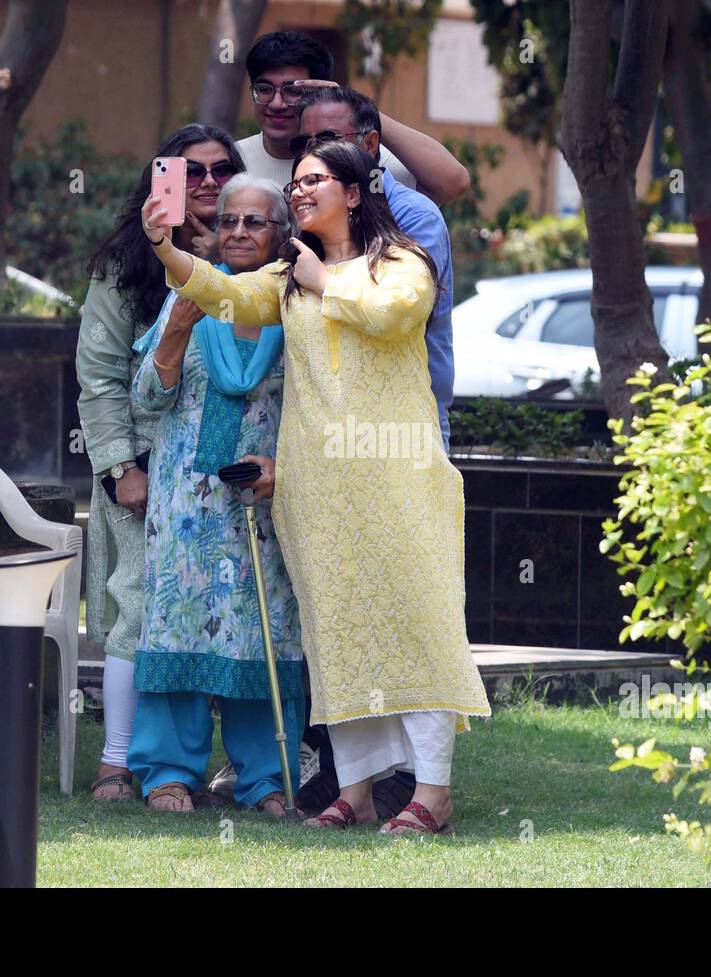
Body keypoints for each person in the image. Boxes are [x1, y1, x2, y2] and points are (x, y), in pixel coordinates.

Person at [141, 140, 491, 836]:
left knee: (418, 627)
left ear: (355, 192)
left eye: (314, 181)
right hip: (316, 488)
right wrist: (167, 250)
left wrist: (321, 278)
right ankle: (355, 790)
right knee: (337, 635)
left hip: (397, 476)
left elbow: (394, 315)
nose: (298, 191)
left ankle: (434, 794)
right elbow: (224, 291)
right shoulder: (288, 276)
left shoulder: (402, 262)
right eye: (295, 182)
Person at [126, 174, 303, 816]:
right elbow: (146, 399)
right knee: (177, 630)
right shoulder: (192, 295)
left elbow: (321, 411)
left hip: (265, 506)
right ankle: (168, 773)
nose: (237, 233)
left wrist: (284, 465)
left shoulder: (297, 309)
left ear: (283, 235)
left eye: (255, 222)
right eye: (228, 221)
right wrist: (174, 330)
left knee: (263, 634)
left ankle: (266, 777)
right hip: (186, 508)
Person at [77, 124, 244, 801]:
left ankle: (231, 767)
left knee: (224, 612)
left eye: (220, 170)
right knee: (140, 604)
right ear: (161, 182)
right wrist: (121, 468)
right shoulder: (125, 265)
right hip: (145, 462)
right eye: (190, 172)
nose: (206, 183)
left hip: (226, 464)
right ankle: (117, 762)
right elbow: (98, 373)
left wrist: (219, 262)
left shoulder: (257, 250)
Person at [295, 86, 455, 449]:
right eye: (305, 142)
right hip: (322, 418)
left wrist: (323, 281)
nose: (315, 152)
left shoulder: (414, 215)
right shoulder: (306, 213)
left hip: (404, 423)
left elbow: (401, 316)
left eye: (329, 138)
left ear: (370, 145)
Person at [236, 31, 471, 206]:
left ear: (318, 93)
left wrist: (353, 108)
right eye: (265, 89)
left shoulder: (357, 158)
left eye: (293, 91)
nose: (277, 104)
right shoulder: (232, 160)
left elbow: (453, 183)